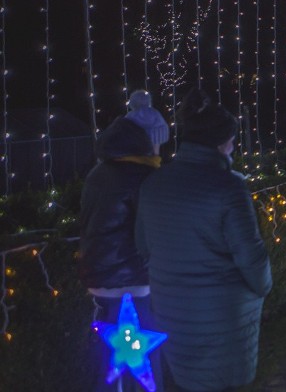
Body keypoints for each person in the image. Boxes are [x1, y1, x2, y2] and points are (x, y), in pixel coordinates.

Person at [136, 88, 272, 391]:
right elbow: (251, 256)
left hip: (173, 309)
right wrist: (264, 286)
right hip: (222, 316)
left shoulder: (154, 184)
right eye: (233, 140)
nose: (235, 146)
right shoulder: (229, 187)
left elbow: (143, 245)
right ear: (222, 143)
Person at [79, 93, 169, 391]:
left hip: (99, 279)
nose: (159, 149)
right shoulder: (143, 177)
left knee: (112, 355)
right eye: (157, 142)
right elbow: (150, 232)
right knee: (144, 355)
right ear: (145, 142)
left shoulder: (98, 173)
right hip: (134, 280)